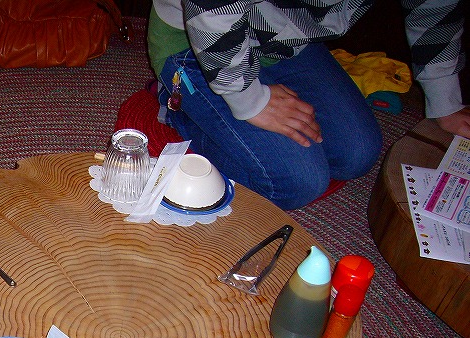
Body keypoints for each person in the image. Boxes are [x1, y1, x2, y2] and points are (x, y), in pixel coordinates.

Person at [148, 0, 469, 210]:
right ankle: (176, 105)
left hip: (287, 41)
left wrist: (445, 97)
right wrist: (250, 99)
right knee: (294, 183)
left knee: (358, 154)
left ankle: (214, 112)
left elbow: (433, 7)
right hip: (195, 37)